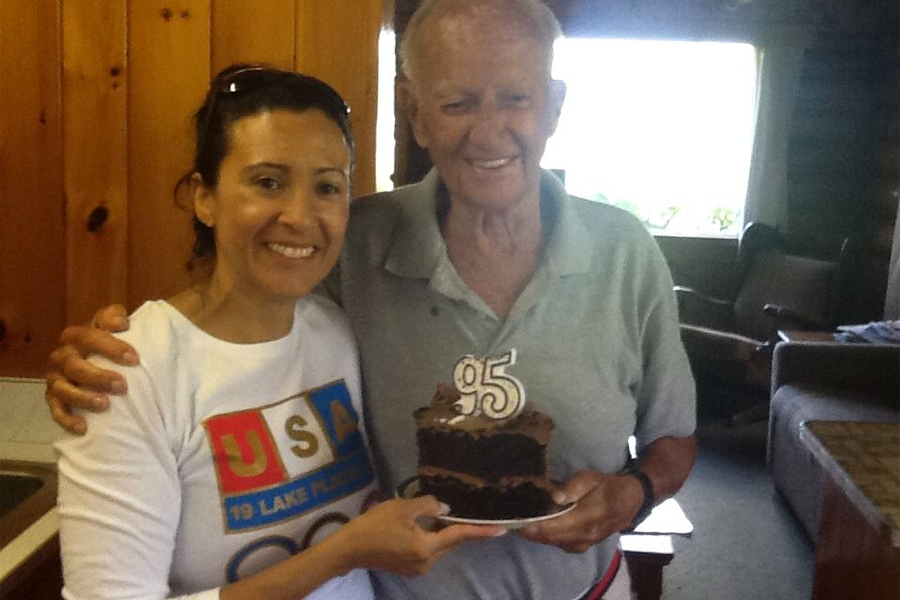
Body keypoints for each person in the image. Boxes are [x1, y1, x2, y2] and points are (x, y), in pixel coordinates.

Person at [46, 1, 698, 599]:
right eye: (457, 102)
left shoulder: (626, 252)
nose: (489, 130)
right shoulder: (354, 250)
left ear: (554, 106)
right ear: (414, 112)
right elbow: (238, 311)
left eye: (517, 98)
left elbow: (676, 439)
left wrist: (634, 492)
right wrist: (112, 355)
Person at [52, 64, 504, 600]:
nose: (299, 215)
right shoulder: (131, 371)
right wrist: (342, 553)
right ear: (204, 197)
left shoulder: (338, 329)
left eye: (327, 187)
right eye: (268, 182)